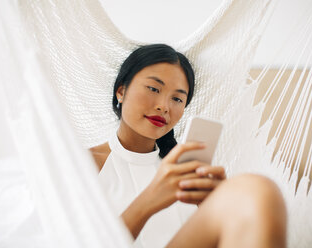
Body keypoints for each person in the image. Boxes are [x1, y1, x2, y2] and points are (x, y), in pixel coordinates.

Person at [90, 44, 287, 248]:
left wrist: (214, 207)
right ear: (121, 91)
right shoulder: (83, 163)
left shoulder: (181, 173)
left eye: (177, 98)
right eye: (153, 88)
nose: (164, 106)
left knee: (254, 191)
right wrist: (151, 199)